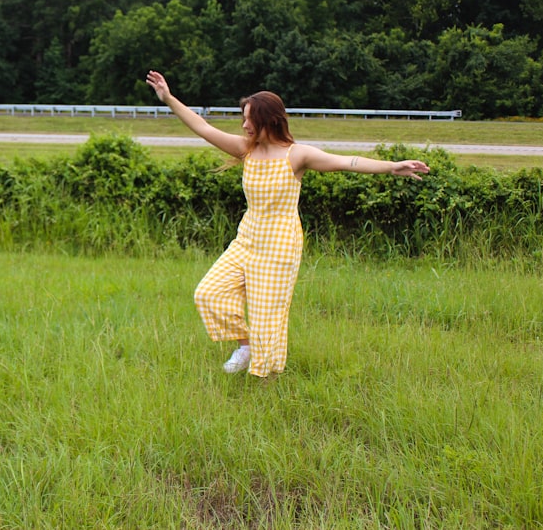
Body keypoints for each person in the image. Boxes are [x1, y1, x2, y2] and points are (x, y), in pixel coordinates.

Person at [145, 71, 430, 378]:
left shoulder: (297, 156)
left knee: (269, 317)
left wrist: (392, 167)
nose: (243, 125)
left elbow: (349, 162)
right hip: (247, 240)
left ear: (270, 120)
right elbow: (202, 127)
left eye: (248, 119)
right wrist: (169, 99)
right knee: (208, 293)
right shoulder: (247, 149)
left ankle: (266, 383)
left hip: (280, 246)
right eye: (243, 119)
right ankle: (246, 345)